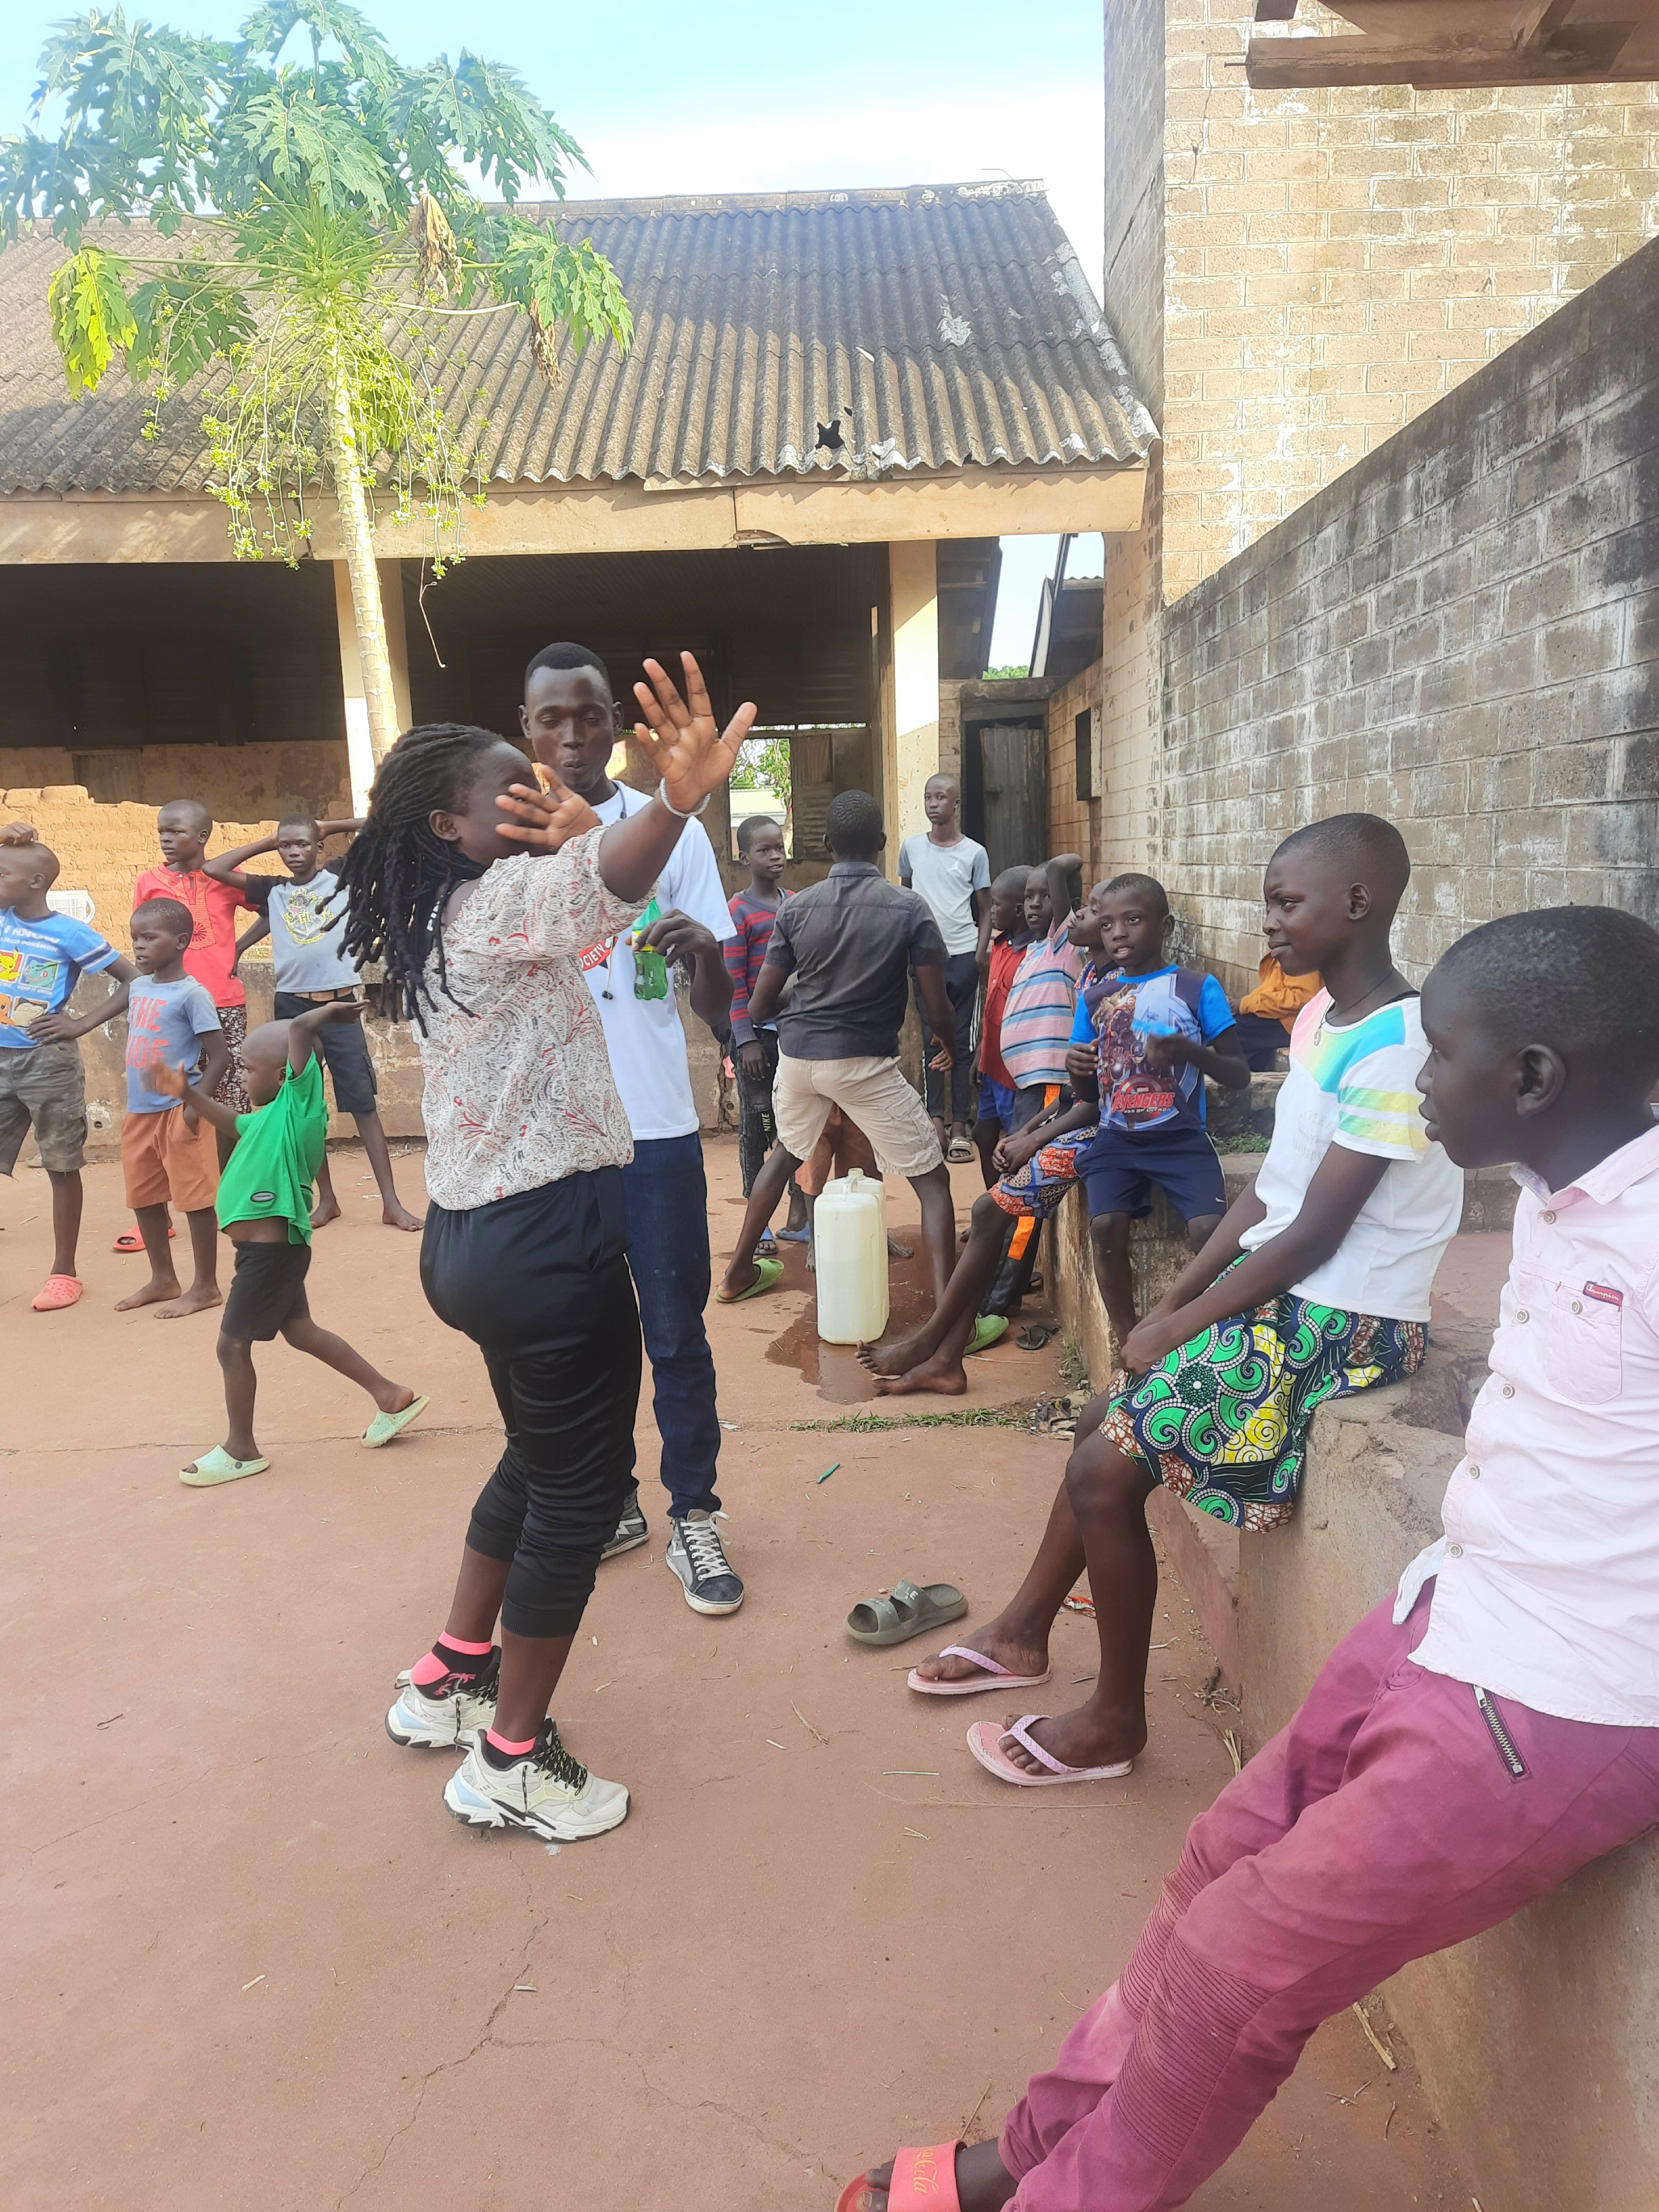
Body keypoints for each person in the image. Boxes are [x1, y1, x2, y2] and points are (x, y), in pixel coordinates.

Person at [840, 902, 1659, 2212]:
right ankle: (1044, 2146)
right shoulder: (1560, 1194)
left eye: (1436, 1056)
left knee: (1233, 1967)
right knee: (1218, 1856)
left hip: (1551, 1703)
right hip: (1445, 1610)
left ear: (1528, 1081)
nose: (1417, 1075)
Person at [907, 814, 1464, 1789]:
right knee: (1098, 1419)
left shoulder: (1395, 1049)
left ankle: (1115, 1720)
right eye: (1271, 904)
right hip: (1293, 1298)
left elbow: (1315, 1234)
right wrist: (1184, 1290)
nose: (1271, 923)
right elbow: (1267, 1194)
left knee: (1106, 1465)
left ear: (1360, 902)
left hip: (1346, 1324)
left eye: (1289, 903)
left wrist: (1177, 1322)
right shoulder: (1320, 1019)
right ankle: (1026, 1632)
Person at [361, 657, 748, 1843]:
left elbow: (594, 887)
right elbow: (606, 880)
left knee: (537, 1459)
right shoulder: (495, 905)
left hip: (477, 1241)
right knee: (580, 1493)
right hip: (544, 1243)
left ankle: (450, 1673)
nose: (531, 802)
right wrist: (669, 804)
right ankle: (513, 1756)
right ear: (447, 824)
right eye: (508, 795)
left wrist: (592, 834)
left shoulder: (438, 914)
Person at [520, 640, 744, 1615]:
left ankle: (693, 1510)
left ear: (618, 723)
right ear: (524, 726)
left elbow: (717, 1005)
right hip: (550, 1139)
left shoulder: (675, 827)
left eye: (590, 715)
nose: (572, 735)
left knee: (673, 1330)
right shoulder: (499, 835)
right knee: (571, 1336)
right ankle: (609, 1498)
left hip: (652, 1131)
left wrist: (701, 954)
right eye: (551, 718)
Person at [859, 874, 1249, 1393]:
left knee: (993, 1211)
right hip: (1099, 1130)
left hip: (1120, 1134)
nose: (1102, 927)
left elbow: (1095, 1103)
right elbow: (1085, 1089)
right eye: (1096, 916)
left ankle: (939, 1346)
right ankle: (943, 1351)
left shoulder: (1165, 985)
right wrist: (1036, 1122)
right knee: (992, 1210)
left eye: (1102, 915)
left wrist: (1037, 1136)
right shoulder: (1094, 986)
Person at [154, 1002, 428, 1486]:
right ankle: (389, 1395)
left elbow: (301, 1031)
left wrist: (323, 1014)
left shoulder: (299, 1109)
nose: (239, 1077)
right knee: (302, 1332)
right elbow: (227, 1120)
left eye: (247, 1068)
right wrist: (188, 1094)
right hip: (264, 1254)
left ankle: (241, 1449)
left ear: (284, 1077)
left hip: (270, 1255)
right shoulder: (263, 1120)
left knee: (232, 1347)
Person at [714, 789, 959, 1312]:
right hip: (862, 1061)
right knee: (934, 1179)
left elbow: (759, 1006)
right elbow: (935, 1007)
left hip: (800, 1060)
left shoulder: (797, 910)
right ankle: (951, 1317)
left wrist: (804, 984)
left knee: (784, 1155)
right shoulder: (908, 908)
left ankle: (736, 1273)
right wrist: (951, 1043)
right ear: (882, 844)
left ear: (825, 845)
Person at [203, 814, 423, 1232]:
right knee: (303, 1105)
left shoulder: (340, 876)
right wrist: (267, 840)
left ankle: (391, 1203)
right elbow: (214, 869)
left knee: (363, 1104)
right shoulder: (274, 890)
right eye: (286, 846)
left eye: (303, 844)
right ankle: (326, 1199)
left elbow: (386, 826)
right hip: (292, 1011)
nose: (293, 853)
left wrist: (330, 825)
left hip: (338, 1007)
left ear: (319, 847)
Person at [0, 826, 137, 1311]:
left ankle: (64, 1273)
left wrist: (81, 1024)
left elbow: (132, 980)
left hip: (47, 1062)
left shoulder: (70, 933)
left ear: (36, 881)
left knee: (60, 1164)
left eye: (3, 874)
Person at [117, 896, 231, 1318]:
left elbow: (219, 1056)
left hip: (179, 1111)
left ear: (181, 941)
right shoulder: (138, 987)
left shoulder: (192, 994)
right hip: (140, 1111)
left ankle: (206, 1286)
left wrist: (196, 1106)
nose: (140, 946)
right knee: (144, 1196)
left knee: (196, 1198)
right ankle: (163, 1278)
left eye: (150, 937)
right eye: (135, 938)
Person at [132, 799, 257, 1175]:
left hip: (223, 1002)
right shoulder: (149, 882)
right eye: (161, 832)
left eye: (175, 832)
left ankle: (230, 1183)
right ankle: (183, 1184)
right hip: (171, 1007)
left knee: (230, 1094)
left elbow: (271, 908)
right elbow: (142, 939)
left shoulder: (226, 877)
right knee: (174, 1097)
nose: (165, 840)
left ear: (202, 836)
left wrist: (239, 947)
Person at [724, 813, 807, 1255]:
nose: (776, 856)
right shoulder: (738, 911)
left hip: (794, 1034)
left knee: (795, 1126)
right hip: (758, 1039)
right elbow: (735, 981)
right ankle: (758, 1225)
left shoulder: (793, 903)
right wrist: (746, 1038)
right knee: (758, 1127)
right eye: (764, 850)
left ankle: (798, 1213)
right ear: (744, 858)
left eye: (780, 847)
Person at [899, 773, 991, 1162]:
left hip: (963, 956)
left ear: (956, 804)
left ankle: (959, 1126)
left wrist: (981, 954)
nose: (934, 803)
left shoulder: (975, 853)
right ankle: (934, 1118)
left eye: (941, 797)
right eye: (928, 796)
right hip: (924, 959)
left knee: (963, 1042)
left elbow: (986, 908)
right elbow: (904, 900)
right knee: (932, 1038)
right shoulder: (911, 849)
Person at [970, 866, 1030, 1188]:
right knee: (982, 1133)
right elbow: (991, 1007)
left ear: (1019, 910)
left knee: (1011, 1144)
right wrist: (981, 1051)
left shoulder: (1032, 956)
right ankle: (993, 1205)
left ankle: (1006, 1221)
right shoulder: (1001, 946)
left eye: (997, 905)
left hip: (1012, 1072)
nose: (990, 911)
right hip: (991, 1064)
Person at [1235, 948, 1323, 1071]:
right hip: (1280, 1017)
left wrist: (1246, 1004)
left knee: (1234, 1030)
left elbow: (1302, 997)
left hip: (1295, 1023)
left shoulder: (1301, 952)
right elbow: (1272, 991)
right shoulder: (1283, 948)